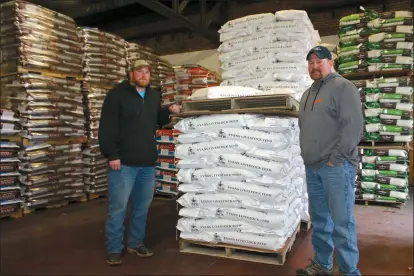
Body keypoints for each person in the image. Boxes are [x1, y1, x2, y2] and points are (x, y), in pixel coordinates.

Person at [98, 60, 181, 266]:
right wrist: (112, 154)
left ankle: (136, 243)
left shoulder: (153, 96)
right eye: (139, 71)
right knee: (117, 208)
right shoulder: (117, 95)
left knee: (142, 207)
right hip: (123, 162)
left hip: (147, 162)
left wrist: (169, 109)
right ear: (131, 74)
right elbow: (107, 126)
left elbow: (157, 119)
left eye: (147, 72)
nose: (144, 75)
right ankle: (114, 248)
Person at [297, 46, 363, 276]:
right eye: (310, 62)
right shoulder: (307, 93)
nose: (314, 66)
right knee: (321, 220)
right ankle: (322, 265)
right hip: (313, 167)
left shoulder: (343, 87)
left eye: (319, 61)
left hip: (336, 167)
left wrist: (336, 160)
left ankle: (349, 271)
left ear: (330, 61)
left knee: (342, 222)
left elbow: (353, 128)